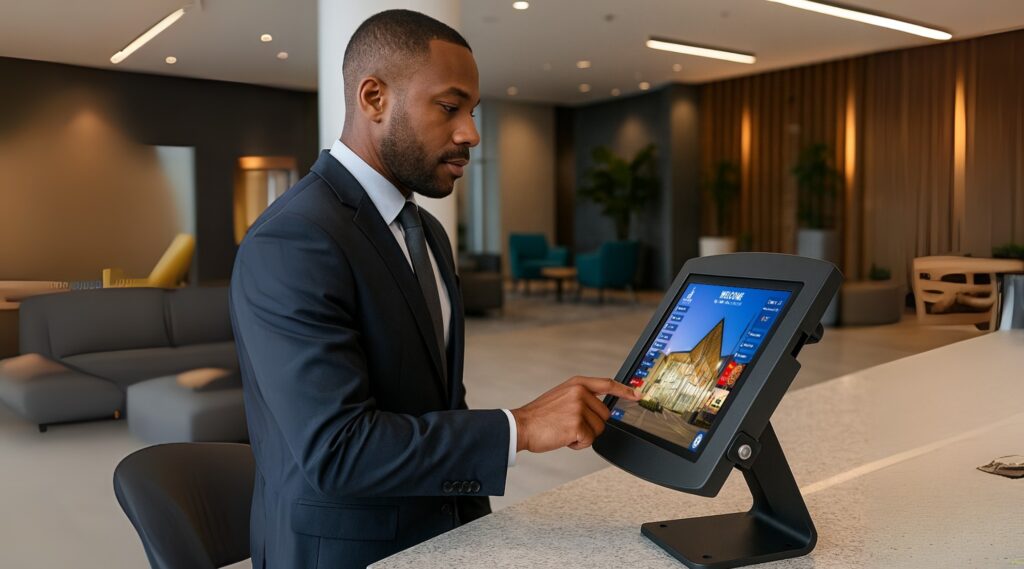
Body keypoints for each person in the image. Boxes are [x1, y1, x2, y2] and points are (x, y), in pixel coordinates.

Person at [229, 9, 640, 569]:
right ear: (374, 98)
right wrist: (519, 427)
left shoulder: (428, 233)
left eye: (472, 112)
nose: (470, 132)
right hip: (347, 553)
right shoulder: (292, 241)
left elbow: (436, 402)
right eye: (450, 108)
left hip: (451, 535)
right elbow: (337, 451)